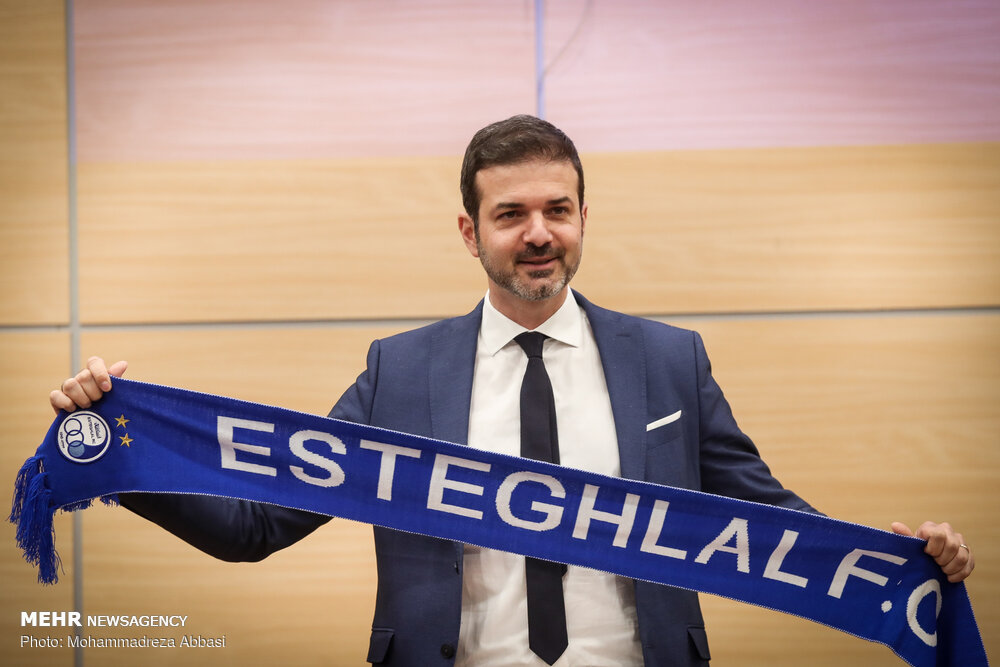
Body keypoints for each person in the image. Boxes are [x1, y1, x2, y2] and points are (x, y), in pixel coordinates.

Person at [51, 115, 974, 667]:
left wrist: (899, 559)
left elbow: (769, 520)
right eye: (511, 214)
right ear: (470, 231)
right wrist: (118, 454)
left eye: (557, 209)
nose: (539, 233)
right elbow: (257, 526)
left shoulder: (669, 361)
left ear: (583, 217)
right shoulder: (399, 372)